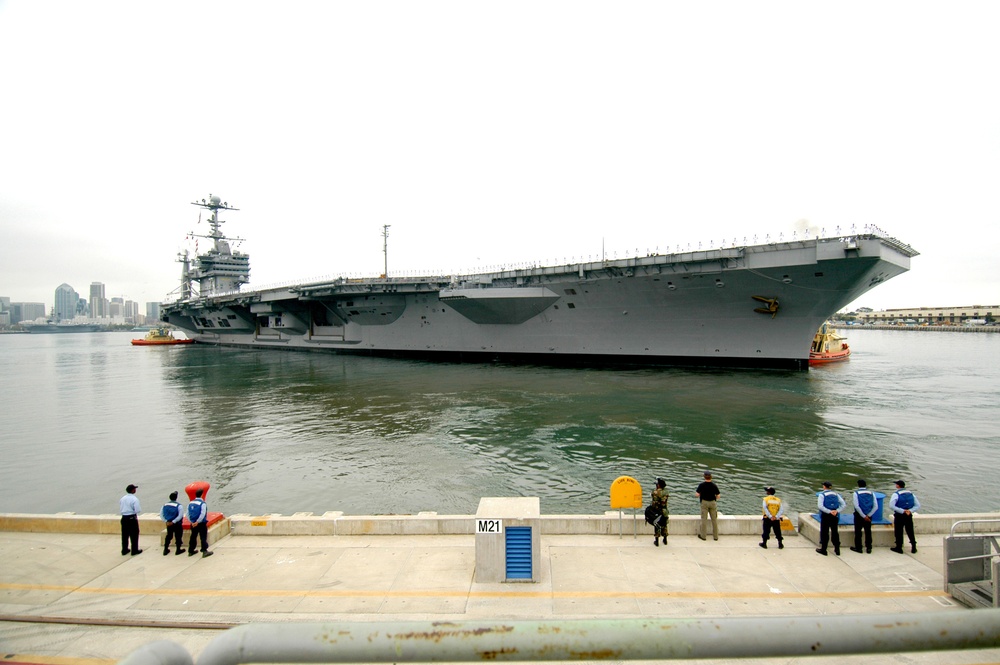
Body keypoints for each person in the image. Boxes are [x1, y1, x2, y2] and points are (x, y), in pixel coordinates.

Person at [889, 479, 921, 554]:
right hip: (908, 515)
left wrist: (902, 511)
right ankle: (913, 547)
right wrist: (910, 511)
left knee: (898, 531)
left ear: (898, 486)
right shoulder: (911, 493)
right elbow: (917, 505)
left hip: (899, 515)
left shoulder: (896, 494)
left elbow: (891, 506)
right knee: (910, 531)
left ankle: (899, 547)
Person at [816, 481, 845, 556]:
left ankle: (824, 549)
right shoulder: (836, 494)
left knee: (825, 533)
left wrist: (829, 511)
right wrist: (836, 511)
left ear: (824, 487)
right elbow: (843, 504)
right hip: (835, 516)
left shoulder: (822, 495)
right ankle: (837, 549)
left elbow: (820, 506)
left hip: (826, 516)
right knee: (835, 532)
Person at [850, 479, 878, 554]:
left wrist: (863, 515)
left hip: (859, 516)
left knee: (858, 532)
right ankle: (869, 548)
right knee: (868, 531)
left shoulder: (856, 493)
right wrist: (868, 515)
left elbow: (857, 506)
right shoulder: (872, 493)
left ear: (858, 485)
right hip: (869, 516)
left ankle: (859, 548)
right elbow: (875, 506)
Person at [187, 489, 214, 557]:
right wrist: (198, 522)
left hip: (193, 523)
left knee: (193, 536)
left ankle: (191, 550)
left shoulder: (190, 503)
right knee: (203, 537)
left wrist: (192, 522)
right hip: (201, 523)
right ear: (202, 495)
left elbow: (187, 513)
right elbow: (202, 514)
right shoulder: (203, 503)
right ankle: (204, 551)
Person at [695, 471, 720, 541]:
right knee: (714, 520)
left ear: (704, 477)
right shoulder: (714, 485)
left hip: (704, 503)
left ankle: (703, 536)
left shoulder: (701, 485)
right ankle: (715, 536)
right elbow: (718, 496)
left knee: (704, 520)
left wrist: (701, 494)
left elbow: (696, 494)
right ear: (711, 477)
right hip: (712, 503)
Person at [119, 483, 142, 556]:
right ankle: (134, 550)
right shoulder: (134, 499)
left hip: (124, 518)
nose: (135, 490)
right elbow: (137, 510)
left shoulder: (122, 498)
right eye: (134, 489)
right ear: (132, 490)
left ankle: (124, 549)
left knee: (125, 535)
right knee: (134, 534)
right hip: (131, 518)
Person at [160, 491, 186, 556]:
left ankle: (165, 549)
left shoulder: (164, 505)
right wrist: (173, 522)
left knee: (169, 536)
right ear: (176, 498)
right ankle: (178, 550)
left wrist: (166, 521)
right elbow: (180, 516)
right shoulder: (179, 506)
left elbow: (161, 514)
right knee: (178, 536)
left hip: (168, 524)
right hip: (177, 524)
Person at [650, 477, 669, 547]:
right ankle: (665, 539)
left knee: (657, 524)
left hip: (657, 511)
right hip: (665, 510)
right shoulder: (666, 491)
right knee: (664, 524)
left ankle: (657, 540)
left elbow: (653, 498)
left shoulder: (655, 492)